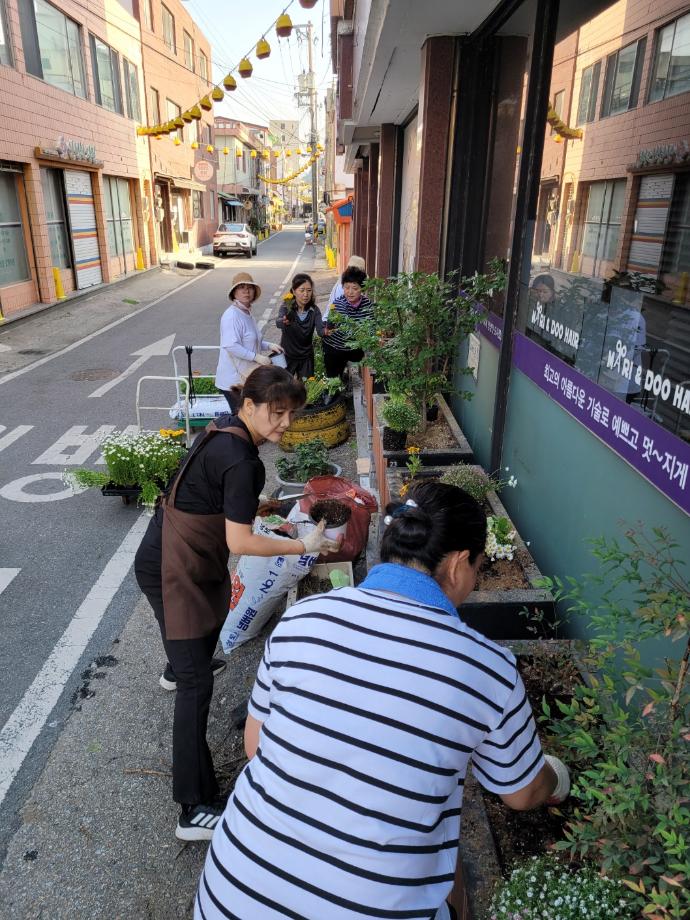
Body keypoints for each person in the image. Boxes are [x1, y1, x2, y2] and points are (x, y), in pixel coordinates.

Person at [195, 481, 571, 919]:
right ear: (458, 563)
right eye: (478, 568)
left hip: (231, 891)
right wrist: (555, 779)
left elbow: (255, 746)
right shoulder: (486, 667)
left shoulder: (303, 618)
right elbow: (522, 794)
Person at [134, 366, 339, 842]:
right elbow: (242, 542)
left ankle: (177, 663)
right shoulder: (243, 461)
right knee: (196, 684)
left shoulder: (224, 432)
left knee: (193, 650)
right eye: (278, 411)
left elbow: (208, 492)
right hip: (173, 567)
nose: (286, 423)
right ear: (249, 405)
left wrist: (253, 504)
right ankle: (191, 806)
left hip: (161, 551)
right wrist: (303, 545)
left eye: (293, 413)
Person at [215, 272, 284, 411]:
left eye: (249, 288)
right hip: (234, 381)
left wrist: (269, 345)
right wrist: (256, 357)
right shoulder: (232, 315)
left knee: (248, 418)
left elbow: (251, 341)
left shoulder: (247, 313)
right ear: (234, 292)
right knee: (242, 419)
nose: (246, 291)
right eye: (241, 287)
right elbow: (231, 345)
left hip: (246, 377)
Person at [322, 265, 374, 380]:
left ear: (362, 288)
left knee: (358, 373)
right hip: (335, 347)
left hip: (355, 349)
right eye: (346, 288)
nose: (350, 292)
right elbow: (330, 327)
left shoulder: (368, 305)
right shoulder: (337, 304)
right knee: (334, 380)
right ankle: (335, 392)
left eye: (355, 288)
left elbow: (371, 329)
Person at [275, 272, 325, 378]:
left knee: (306, 389)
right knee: (283, 387)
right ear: (294, 291)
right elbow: (278, 322)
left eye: (309, 290)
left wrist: (327, 330)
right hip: (286, 355)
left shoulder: (314, 310)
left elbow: (321, 331)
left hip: (306, 357)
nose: (306, 294)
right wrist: (284, 321)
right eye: (302, 290)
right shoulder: (286, 307)